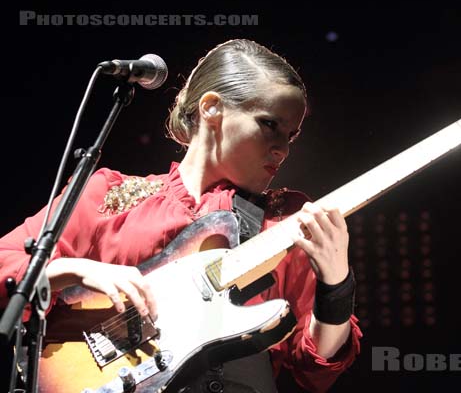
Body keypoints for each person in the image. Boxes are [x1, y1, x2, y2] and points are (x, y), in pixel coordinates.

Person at [0, 39, 361, 392]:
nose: (282, 148)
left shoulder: (283, 220)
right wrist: (74, 269)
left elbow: (315, 368)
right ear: (211, 108)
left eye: (291, 135)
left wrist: (336, 286)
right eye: (269, 124)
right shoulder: (108, 195)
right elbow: (6, 263)